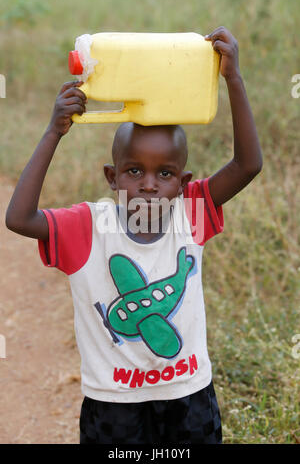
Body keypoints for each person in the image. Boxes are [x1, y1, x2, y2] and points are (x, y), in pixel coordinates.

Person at [5, 26, 262, 444]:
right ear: (112, 176)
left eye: (165, 173)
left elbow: (248, 165)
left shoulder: (191, 213)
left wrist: (233, 78)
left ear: (184, 182)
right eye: (133, 170)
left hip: (188, 395)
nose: (148, 184)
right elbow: (18, 218)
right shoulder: (87, 226)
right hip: (113, 406)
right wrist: (55, 131)